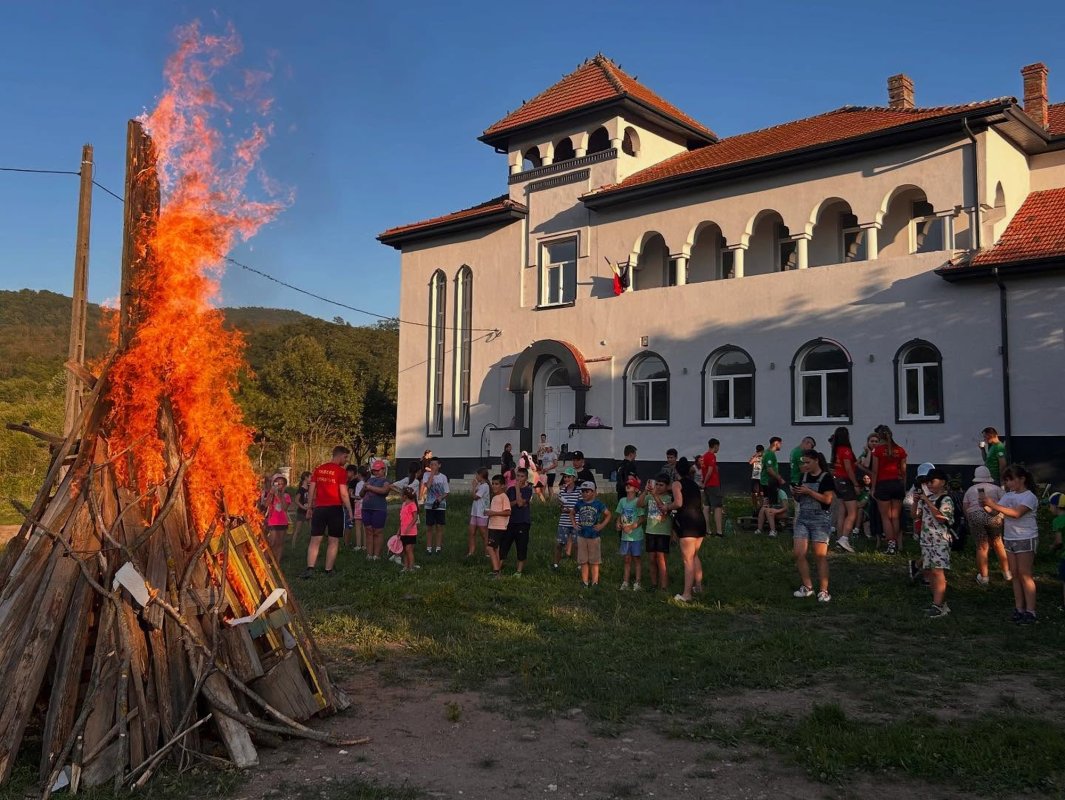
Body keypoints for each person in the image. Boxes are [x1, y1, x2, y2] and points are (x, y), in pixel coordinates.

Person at [982, 464, 1040, 624]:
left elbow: (1016, 513)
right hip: (1010, 537)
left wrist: (993, 505)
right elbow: (998, 511)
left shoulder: (1029, 497)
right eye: (1006, 480)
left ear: (1022, 479)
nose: (1008, 484)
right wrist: (987, 506)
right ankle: (1019, 608)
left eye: (1010, 480)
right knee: (1014, 574)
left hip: (1026, 537)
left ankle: (1031, 611)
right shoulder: (1008, 496)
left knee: (1025, 574)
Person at [301, 446, 354, 579]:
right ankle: (328, 570)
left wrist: (309, 508)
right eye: (345, 457)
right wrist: (350, 510)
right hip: (335, 509)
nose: (346, 460)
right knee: (333, 541)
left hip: (319, 509)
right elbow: (343, 493)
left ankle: (310, 569)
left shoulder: (318, 469)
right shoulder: (341, 472)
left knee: (315, 540)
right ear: (340, 455)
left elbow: (311, 489)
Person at [791, 450, 835, 603]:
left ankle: (824, 591)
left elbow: (827, 500)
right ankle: (807, 586)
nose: (805, 466)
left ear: (816, 461)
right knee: (798, 553)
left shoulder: (826, 477)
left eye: (808, 462)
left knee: (820, 556)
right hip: (803, 518)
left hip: (820, 520)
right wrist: (796, 493)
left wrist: (808, 491)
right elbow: (799, 498)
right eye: (803, 462)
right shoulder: (803, 477)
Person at [913, 468, 954, 618]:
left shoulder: (946, 499)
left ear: (942, 482)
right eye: (927, 482)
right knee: (930, 572)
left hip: (940, 540)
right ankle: (938, 603)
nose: (929, 485)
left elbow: (942, 518)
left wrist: (927, 501)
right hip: (926, 540)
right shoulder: (927, 498)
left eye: (933, 481)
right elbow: (915, 515)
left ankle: (938, 605)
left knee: (938, 571)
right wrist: (916, 502)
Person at [962, 465, 1010, 585]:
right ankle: (1007, 573)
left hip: (975, 516)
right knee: (998, 542)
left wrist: (970, 521)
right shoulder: (997, 489)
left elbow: (965, 507)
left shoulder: (970, 490)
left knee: (982, 546)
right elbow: (1005, 503)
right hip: (994, 516)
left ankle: (984, 577)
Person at [671, 457, 707, 603]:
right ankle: (698, 586)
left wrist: (667, 507)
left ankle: (686, 594)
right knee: (694, 555)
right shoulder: (694, 484)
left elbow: (678, 503)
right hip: (700, 522)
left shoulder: (677, 484)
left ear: (676, 470)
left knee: (687, 560)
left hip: (687, 524)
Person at [870, 425, 907, 555]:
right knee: (895, 517)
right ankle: (897, 543)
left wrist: (873, 488)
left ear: (879, 437)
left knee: (885, 517)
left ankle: (891, 546)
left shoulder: (877, 451)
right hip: (897, 484)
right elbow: (903, 471)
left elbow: (875, 470)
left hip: (883, 484)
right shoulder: (900, 450)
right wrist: (904, 486)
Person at [639, 474, 675, 591]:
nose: (658, 487)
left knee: (661, 559)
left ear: (667, 486)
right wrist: (645, 492)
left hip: (663, 532)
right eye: (657, 484)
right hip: (650, 530)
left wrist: (655, 495)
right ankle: (654, 584)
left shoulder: (669, 499)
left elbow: (664, 511)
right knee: (652, 559)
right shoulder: (650, 496)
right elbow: (639, 504)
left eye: (661, 485)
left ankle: (664, 585)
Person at [572, 481, 610, 588]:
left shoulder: (598, 504)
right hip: (582, 535)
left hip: (594, 536)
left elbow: (608, 514)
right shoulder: (579, 503)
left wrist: (602, 525)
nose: (584, 494)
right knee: (583, 560)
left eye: (587, 491)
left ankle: (595, 582)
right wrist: (574, 524)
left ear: (593, 492)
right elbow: (572, 513)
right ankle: (584, 581)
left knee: (594, 560)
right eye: (583, 491)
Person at [830, 428, 859, 554]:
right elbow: (848, 468)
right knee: (852, 512)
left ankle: (839, 538)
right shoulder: (846, 450)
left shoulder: (836, 450)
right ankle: (844, 538)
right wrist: (856, 484)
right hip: (846, 481)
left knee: (842, 511)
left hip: (837, 481)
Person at [615, 475, 646, 590]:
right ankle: (625, 581)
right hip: (625, 536)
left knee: (636, 558)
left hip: (635, 536)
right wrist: (618, 523)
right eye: (627, 484)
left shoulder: (638, 501)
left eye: (631, 485)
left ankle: (637, 582)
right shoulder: (622, 501)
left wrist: (632, 527)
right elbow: (619, 515)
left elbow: (642, 518)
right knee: (627, 559)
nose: (628, 486)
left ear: (637, 489)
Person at [502, 467, 533, 575]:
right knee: (504, 545)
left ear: (526, 478)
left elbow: (520, 504)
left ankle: (519, 571)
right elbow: (506, 505)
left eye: (522, 476)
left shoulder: (528, 490)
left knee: (521, 547)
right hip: (510, 522)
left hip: (523, 522)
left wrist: (517, 489)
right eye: (518, 476)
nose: (519, 478)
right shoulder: (510, 490)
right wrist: (515, 499)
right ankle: (499, 567)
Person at [360, 459, 392, 561]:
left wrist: (369, 487)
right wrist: (364, 488)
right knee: (368, 531)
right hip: (366, 508)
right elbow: (361, 494)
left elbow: (384, 491)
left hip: (379, 509)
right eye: (374, 470)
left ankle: (376, 555)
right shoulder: (369, 480)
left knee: (378, 532)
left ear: (383, 470)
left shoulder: (386, 481)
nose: (376, 472)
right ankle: (369, 554)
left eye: (378, 470)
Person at [553, 467, 580, 569]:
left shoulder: (579, 491)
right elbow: (561, 506)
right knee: (559, 543)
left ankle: (579, 566)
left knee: (577, 544)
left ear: (574, 478)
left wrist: (570, 510)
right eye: (565, 477)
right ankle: (556, 564)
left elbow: (581, 506)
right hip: (564, 521)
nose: (566, 479)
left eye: (568, 477)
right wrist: (561, 507)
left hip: (576, 521)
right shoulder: (562, 491)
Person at [421, 458, 449, 554]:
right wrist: (432, 474)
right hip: (430, 505)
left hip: (440, 505)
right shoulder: (426, 475)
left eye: (435, 465)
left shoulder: (443, 477)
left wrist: (441, 498)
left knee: (439, 526)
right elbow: (428, 486)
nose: (433, 466)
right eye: (431, 465)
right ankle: (429, 547)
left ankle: (438, 547)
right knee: (429, 526)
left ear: (439, 465)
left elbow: (446, 492)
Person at [485, 474, 511, 578]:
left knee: (489, 547)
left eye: (497, 484)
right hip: (493, 526)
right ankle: (497, 571)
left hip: (499, 527)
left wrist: (493, 513)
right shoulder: (495, 497)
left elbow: (507, 512)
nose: (494, 486)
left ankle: (496, 570)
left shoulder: (503, 497)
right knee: (495, 549)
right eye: (493, 484)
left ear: (503, 486)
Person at [262, 473, 291, 563]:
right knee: (272, 542)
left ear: (284, 485)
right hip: (272, 522)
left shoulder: (286, 496)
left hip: (282, 522)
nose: (279, 486)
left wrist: (279, 495)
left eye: (281, 483)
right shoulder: (271, 494)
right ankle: (266, 561)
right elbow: (266, 505)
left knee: (280, 543)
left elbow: (285, 508)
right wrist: (271, 494)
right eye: (277, 483)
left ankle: (277, 562)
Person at [700, 438, 724, 536]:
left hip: (706, 486)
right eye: (718, 446)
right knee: (718, 507)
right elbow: (709, 472)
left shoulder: (703, 456)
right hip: (713, 484)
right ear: (715, 446)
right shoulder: (711, 456)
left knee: (706, 506)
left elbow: (703, 471)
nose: (718, 449)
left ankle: (707, 530)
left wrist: (703, 483)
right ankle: (719, 532)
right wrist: (705, 482)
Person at [759, 438, 784, 523]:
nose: (781, 445)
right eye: (780, 443)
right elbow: (769, 469)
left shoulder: (766, 452)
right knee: (769, 505)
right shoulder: (770, 454)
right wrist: (779, 478)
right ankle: (772, 528)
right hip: (769, 482)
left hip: (766, 481)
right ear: (776, 443)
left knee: (765, 504)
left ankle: (761, 526)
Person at [468, 467, 490, 558]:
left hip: (482, 513)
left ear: (481, 475)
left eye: (477, 474)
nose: (476, 476)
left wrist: (473, 486)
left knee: (484, 534)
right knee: (471, 532)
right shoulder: (479, 485)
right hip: (475, 512)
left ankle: (488, 552)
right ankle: (471, 552)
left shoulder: (485, 486)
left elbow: (475, 497)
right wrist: (475, 487)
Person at [398, 485, 420, 573]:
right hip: (403, 532)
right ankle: (405, 566)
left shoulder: (412, 505)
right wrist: (399, 530)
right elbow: (402, 520)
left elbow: (415, 518)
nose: (400, 497)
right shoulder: (404, 505)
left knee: (409, 549)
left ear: (405, 496)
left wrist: (409, 527)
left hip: (411, 532)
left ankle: (411, 567)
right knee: (404, 550)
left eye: (401, 495)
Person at [1049, 492, 1065, 610]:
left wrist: (1052, 548)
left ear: (1056, 506)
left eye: (1050, 505)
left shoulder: (1058, 521)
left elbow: (1059, 541)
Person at [537, 434, 558, 499]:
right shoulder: (545, 454)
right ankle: (544, 500)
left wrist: (548, 468)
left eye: (547, 447)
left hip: (551, 472)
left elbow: (555, 464)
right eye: (545, 448)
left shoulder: (553, 454)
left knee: (550, 486)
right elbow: (543, 463)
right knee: (543, 486)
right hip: (545, 472)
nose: (546, 449)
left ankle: (551, 499)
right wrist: (542, 469)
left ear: (550, 448)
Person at [292, 471, 312, 542]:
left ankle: (309, 543)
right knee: (297, 530)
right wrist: (303, 507)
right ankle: (293, 545)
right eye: (310, 477)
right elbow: (296, 500)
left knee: (311, 529)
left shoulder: (310, 488)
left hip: (309, 511)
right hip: (301, 512)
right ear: (306, 478)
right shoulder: (301, 489)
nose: (311, 478)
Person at [748, 445, 764, 511]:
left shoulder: (764, 457)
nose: (760, 453)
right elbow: (750, 462)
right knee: (753, 493)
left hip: (762, 477)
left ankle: (761, 507)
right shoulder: (755, 457)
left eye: (761, 451)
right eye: (758, 451)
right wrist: (756, 456)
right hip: (755, 477)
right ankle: (755, 507)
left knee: (761, 493)